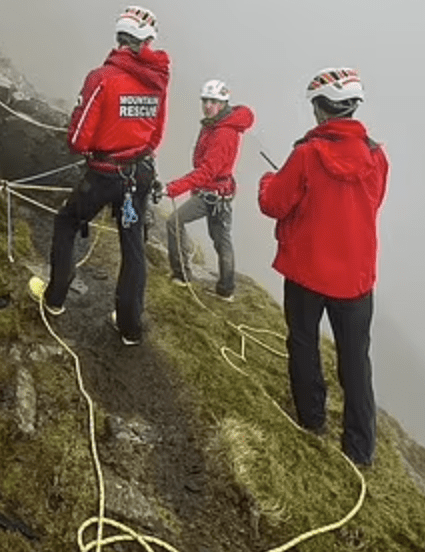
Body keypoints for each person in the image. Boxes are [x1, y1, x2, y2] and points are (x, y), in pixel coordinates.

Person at [258, 67, 387, 467]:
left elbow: (274, 204)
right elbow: (373, 202)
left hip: (306, 272)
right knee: (355, 359)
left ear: (320, 109)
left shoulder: (306, 155)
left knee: (303, 343)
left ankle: (312, 421)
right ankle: (360, 448)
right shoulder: (376, 155)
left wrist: (267, 179)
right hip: (356, 278)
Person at [29, 6, 170, 346]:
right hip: (138, 173)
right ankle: (129, 325)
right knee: (132, 244)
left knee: (67, 222)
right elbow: (156, 134)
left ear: (119, 38)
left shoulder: (102, 78)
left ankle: (56, 297)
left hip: (104, 175)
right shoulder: (158, 81)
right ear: (146, 42)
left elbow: (78, 140)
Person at [165, 80, 254, 301]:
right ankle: (226, 289)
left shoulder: (223, 133)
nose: (207, 105)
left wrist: (174, 188)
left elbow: (208, 171)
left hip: (212, 193)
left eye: (213, 101)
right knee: (221, 239)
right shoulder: (215, 124)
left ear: (223, 103)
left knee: (175, 222)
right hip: (218, 192)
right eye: (205, 100)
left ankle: (182, 275)